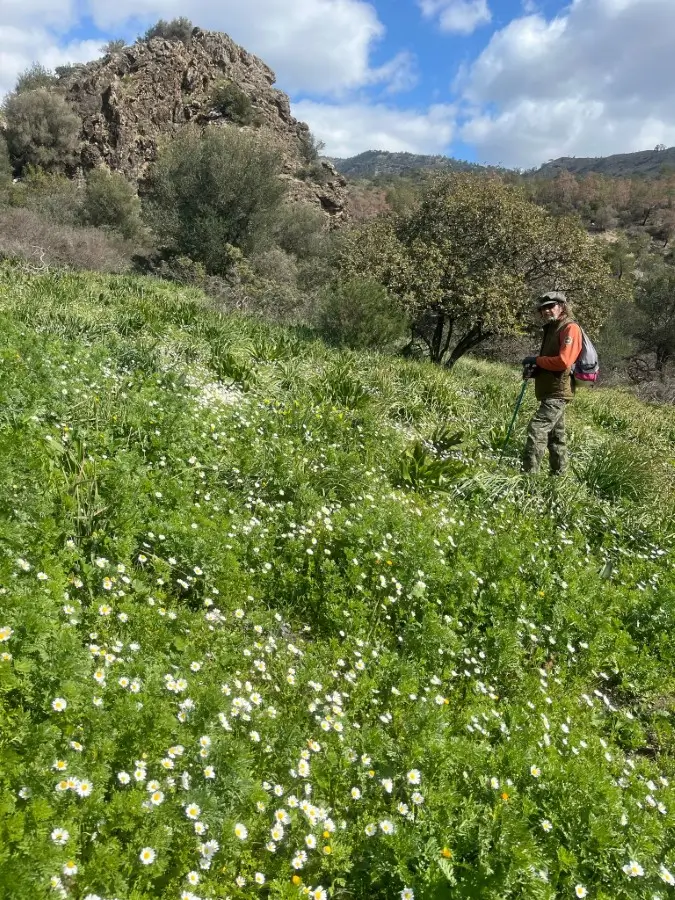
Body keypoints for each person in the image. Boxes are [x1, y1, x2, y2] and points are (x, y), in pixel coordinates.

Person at [522, 291, 582, 475]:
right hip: (550, 389)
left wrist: (538, 361)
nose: (546, 311)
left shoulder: (570, 328)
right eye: (543, 308)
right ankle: (559, 476)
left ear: (562, 306)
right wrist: (535, 368)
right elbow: (551, 359)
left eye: (551, 306)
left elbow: (564, 361)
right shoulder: (552, 328)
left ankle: (528, 477)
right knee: (556, 437)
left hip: (558, 392)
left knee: (537, 429)